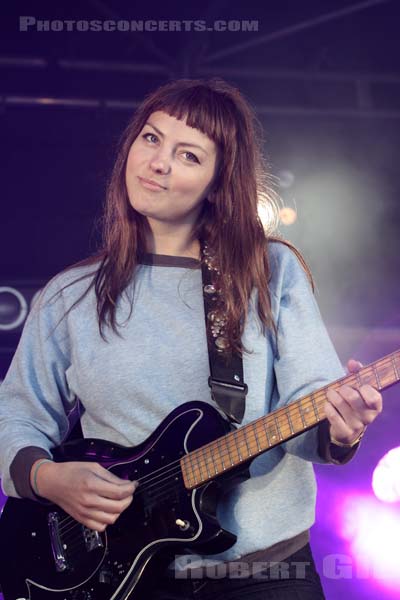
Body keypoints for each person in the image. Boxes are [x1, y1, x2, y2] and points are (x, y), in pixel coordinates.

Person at [0, 78, 382, 600]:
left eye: (188, 155)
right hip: (115, 579)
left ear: (217, 182)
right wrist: (47, 478)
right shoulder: (68, 296)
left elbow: (306, 404)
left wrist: (342, 430)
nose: (158, 163)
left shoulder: (270, 271)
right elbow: (16, 415)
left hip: (264, 577)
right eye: (151, 139)